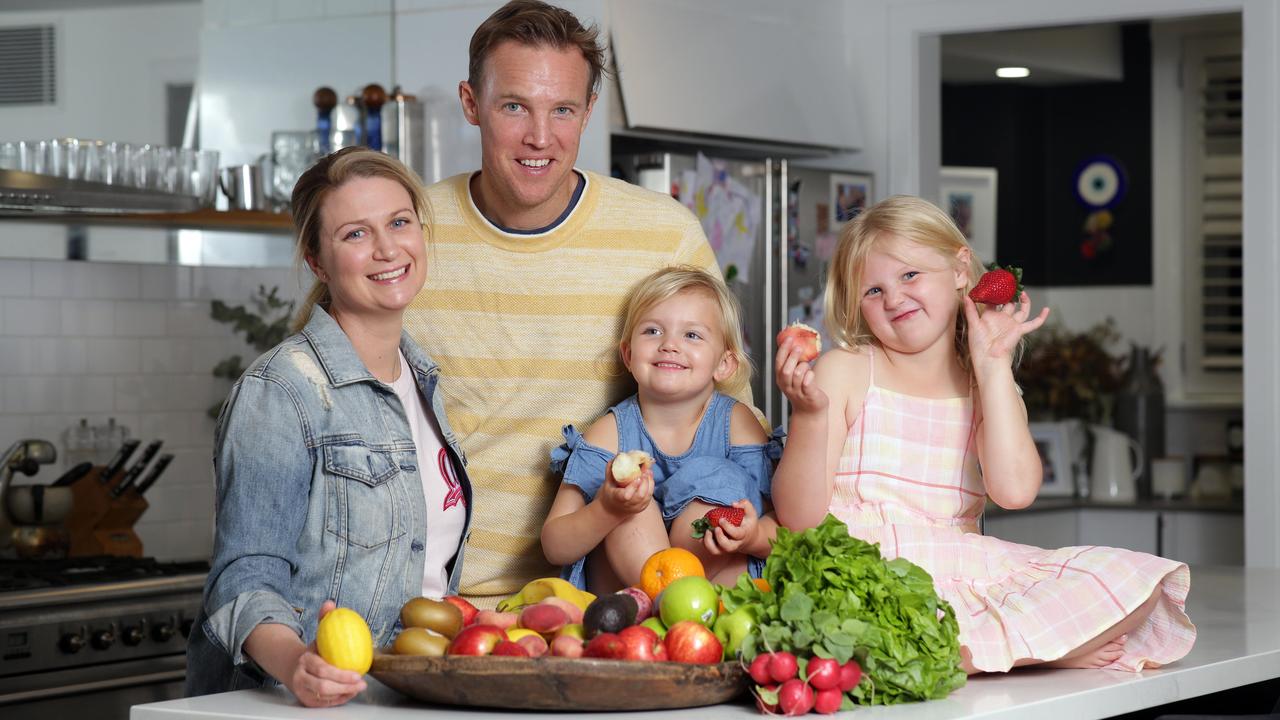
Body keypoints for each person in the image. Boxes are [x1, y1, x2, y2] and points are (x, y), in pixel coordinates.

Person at [403, 0, 750, 607]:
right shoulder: (406, 235)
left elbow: (725, 426)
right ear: (470, 103)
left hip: (614, 604)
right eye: (514, 106)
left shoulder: (662, 233)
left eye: (562, 109)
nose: (540, 137)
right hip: (440, 604)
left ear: (588, 111)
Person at [772, 195, 1195, 674]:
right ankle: (1029, 653)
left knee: (1140, 583)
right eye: (872, 291)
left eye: (910, 275)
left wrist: (993, 367)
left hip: (961, 570)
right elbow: (799, 520)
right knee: (857, 631)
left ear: (959, 270)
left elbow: (1015, 491)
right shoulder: (844, 371)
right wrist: (808, 416)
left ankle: (967, 654)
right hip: (864, 570)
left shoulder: (984, 382)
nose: (893, 298)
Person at [186, 148, 473, 706]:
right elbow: (244, 576)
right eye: (355, 234)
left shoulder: (423, 381)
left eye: (398, 222)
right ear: (318, 262)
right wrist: (300, 666)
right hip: (296, 706)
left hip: (402, 699)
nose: (388, 249)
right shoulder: (282, 391)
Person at [542, 267, 781, 592]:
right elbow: (554, 545)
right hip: (634, 593)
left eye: (692, 335)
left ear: (724, 364)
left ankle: (684, 611)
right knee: (625, 506)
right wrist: (607, 510)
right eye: (653, 331)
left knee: (720, 483)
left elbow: (784, 532)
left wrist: (752, 536)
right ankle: (667, 608)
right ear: (628, 354)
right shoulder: (609, 432)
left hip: (718, 596)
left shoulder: (737, 424)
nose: (669, 344)